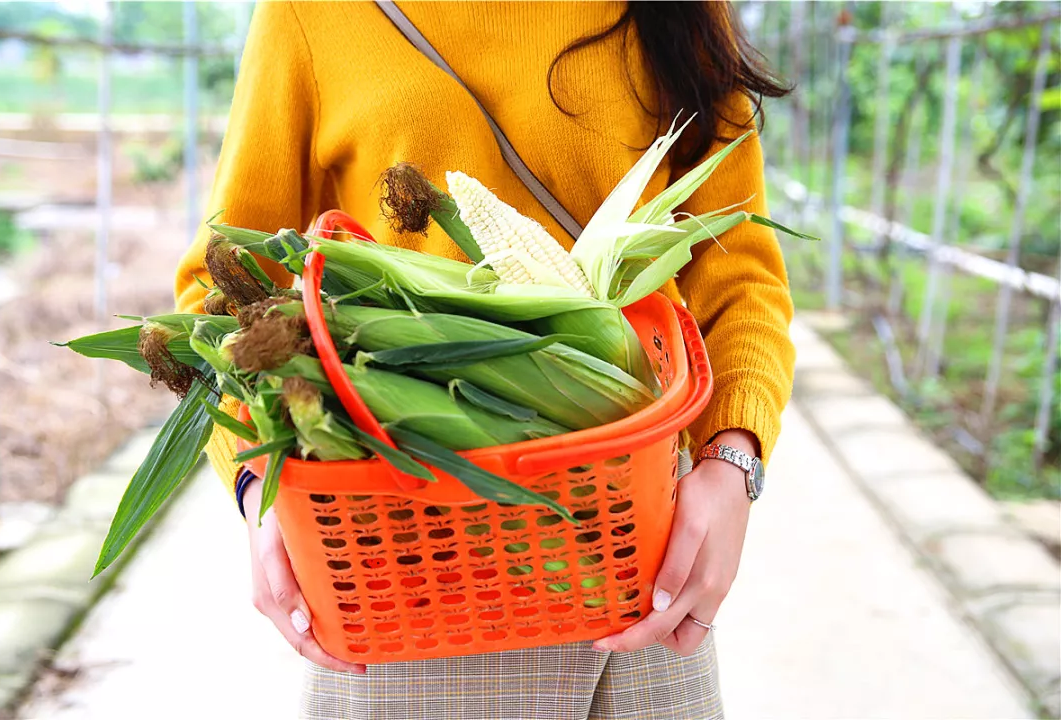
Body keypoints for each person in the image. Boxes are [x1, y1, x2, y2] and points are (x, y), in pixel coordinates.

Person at [174, 2, 794, 718]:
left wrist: (732, 460)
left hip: (632, 557)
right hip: (405, 562)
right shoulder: (312, 15)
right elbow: (220, 289)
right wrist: (258, 481)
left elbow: (740, 279)